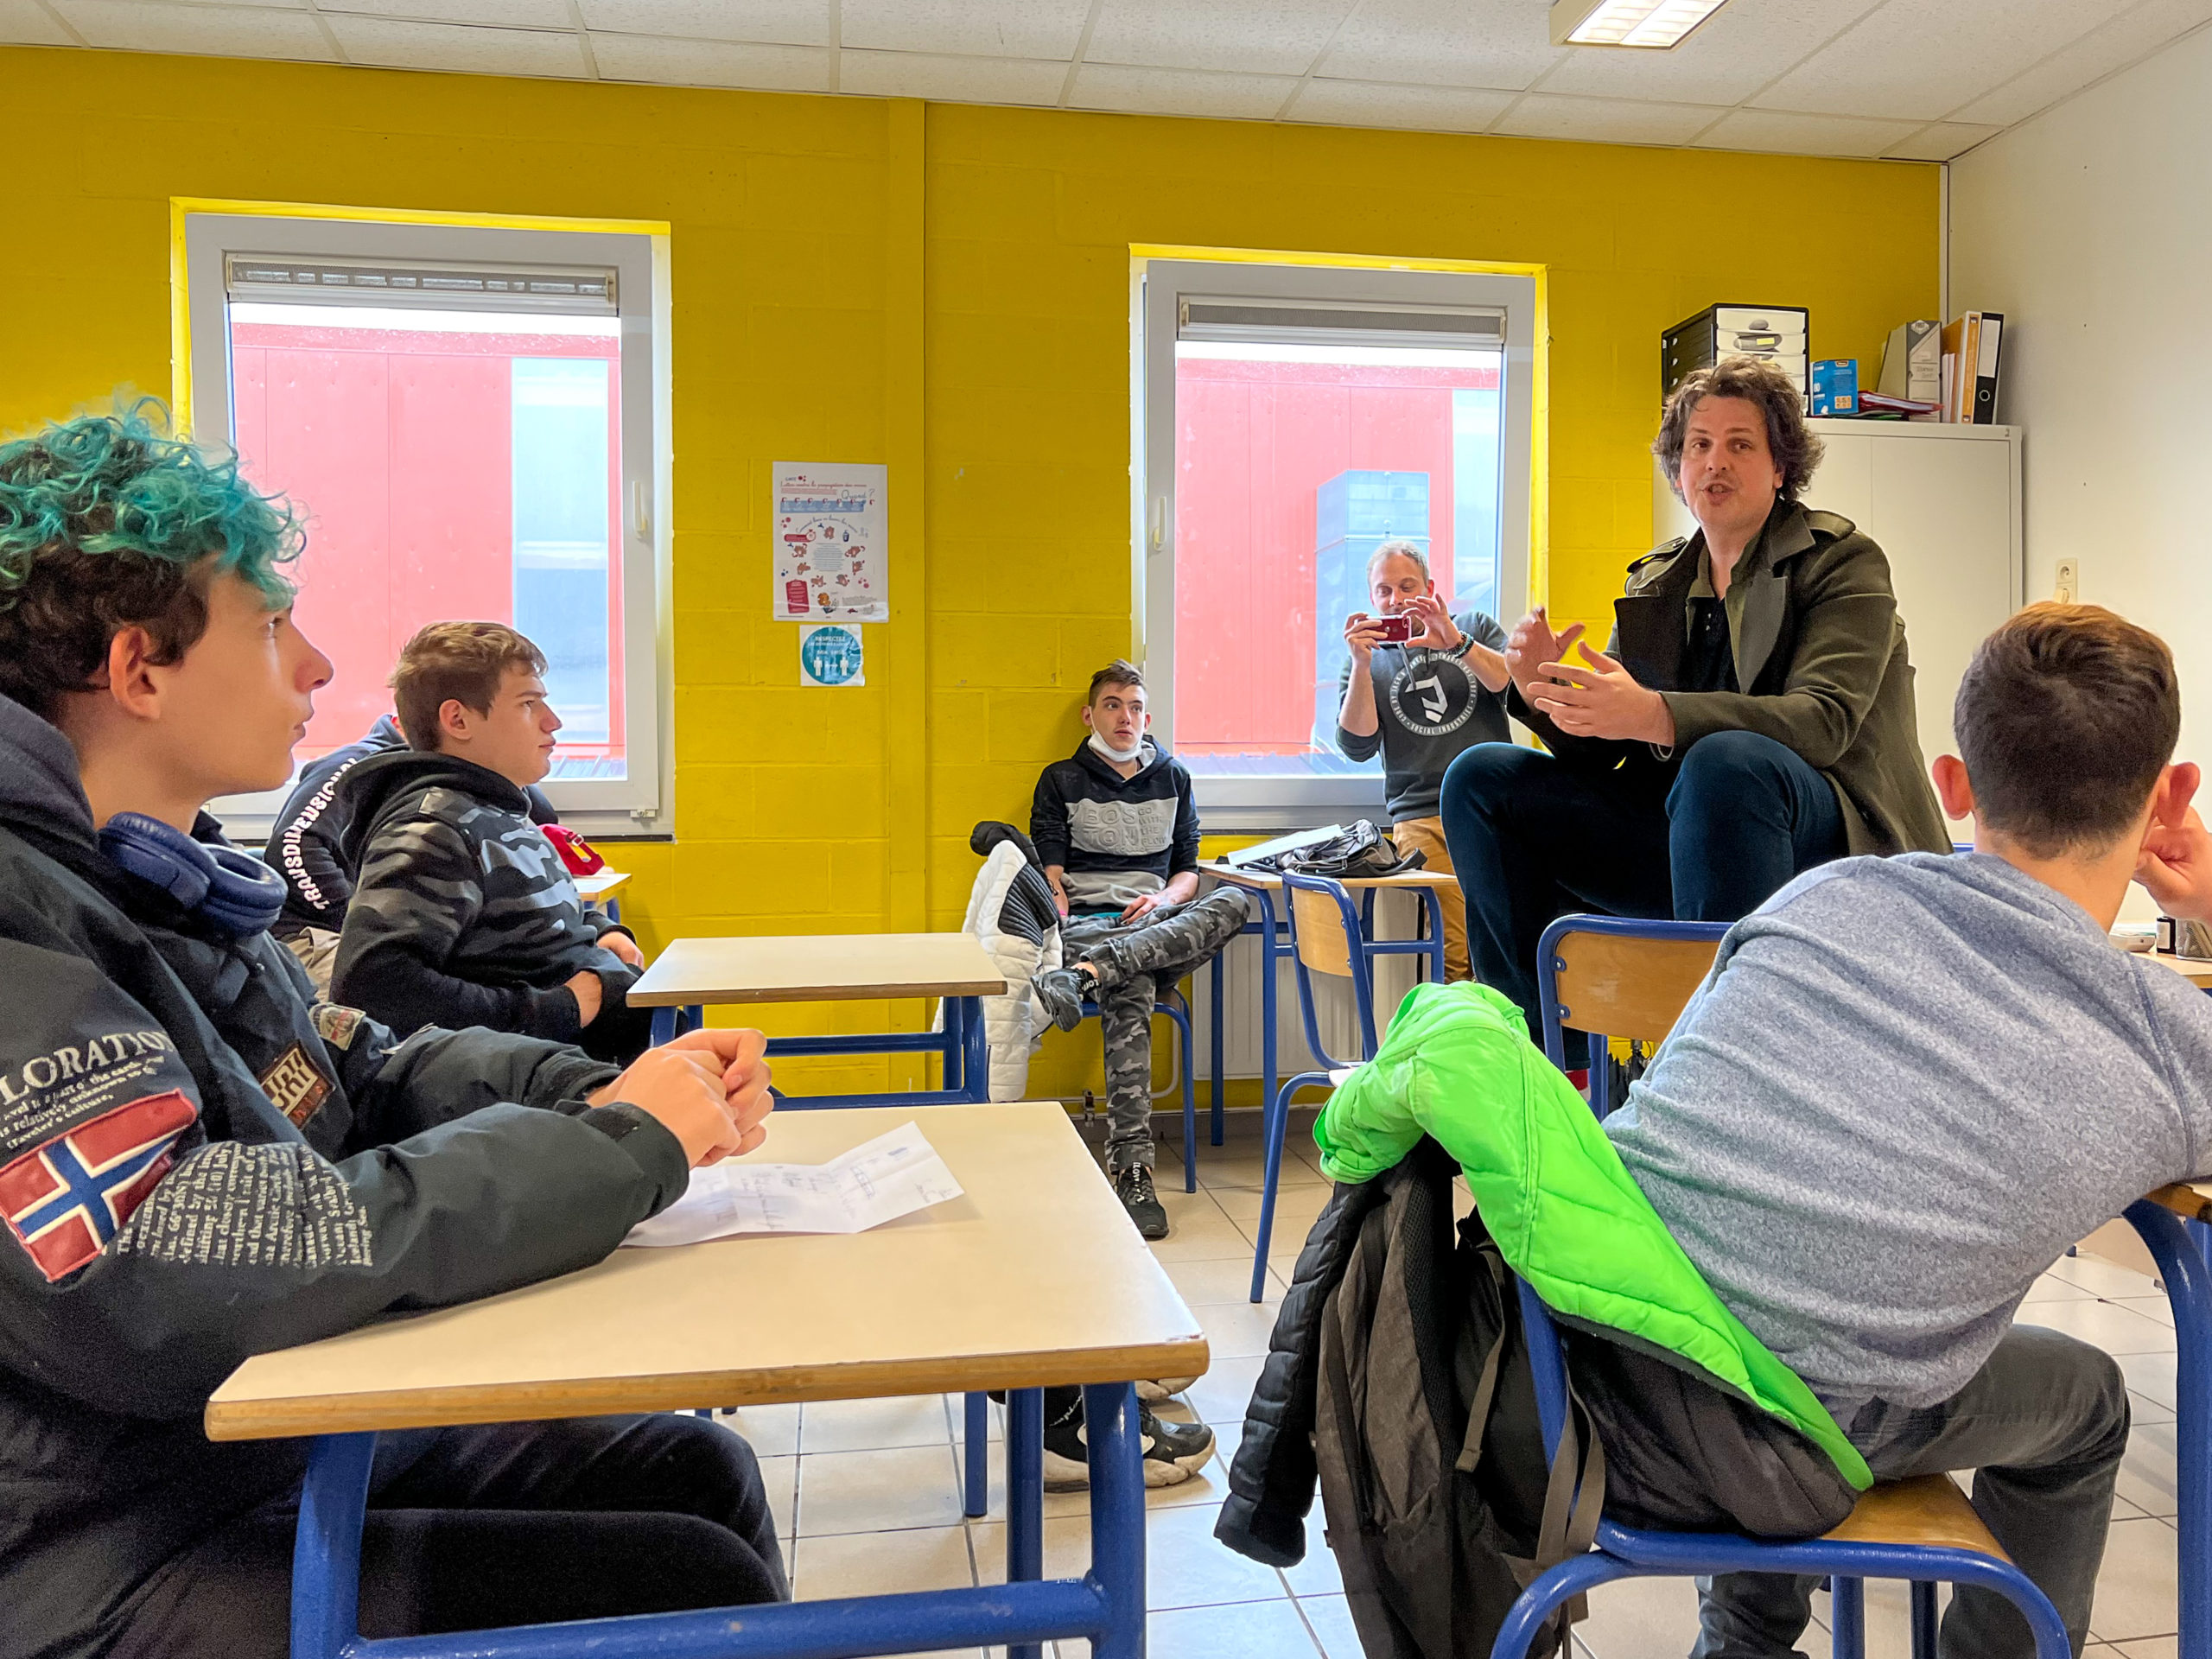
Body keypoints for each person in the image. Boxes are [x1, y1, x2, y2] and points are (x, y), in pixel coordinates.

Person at [0, 404, 783, 1659]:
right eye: (270, 626)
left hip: (229, 1444)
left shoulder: (160, 872)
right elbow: (169, 1259)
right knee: (677, 1577)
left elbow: (350, 1071)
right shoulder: (20, 917)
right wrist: (623, 1149)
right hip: (94, 1536)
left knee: (696, 1474)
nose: (313, 668)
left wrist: (596, 1088)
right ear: (140, 668)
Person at [1603, 602, 2212, 1659]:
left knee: (1767, 1271)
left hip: (1590, 1365)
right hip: (1782, 1433)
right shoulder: (2160, 1038)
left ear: (1951, 784)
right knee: (2090, 1400)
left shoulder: (1818, 898)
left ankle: (1741, 1641)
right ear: (2169, 794)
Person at [1442, 354, 1950, 1065]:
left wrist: (1655, 714)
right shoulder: (1657, 581)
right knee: (1481, 777)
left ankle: (1725, 1063)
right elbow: (1604, 752)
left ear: (1781, 469)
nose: (1716, 461)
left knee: (1724, 761)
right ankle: (1547, 1060)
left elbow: (1825, 721)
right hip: (1691, 838)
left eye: (1741, 444)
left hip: (1835, 845)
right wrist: (1541, 697)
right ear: (1678, 469)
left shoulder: (1843, 561)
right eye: (1698, 446)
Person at [330, 623, 654, 1065]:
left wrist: (602, 931)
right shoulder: (433, 828)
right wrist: (555, 1009)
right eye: (528, 703)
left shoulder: (499, 812)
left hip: (571, 1082)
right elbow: (376, 986)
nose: (552, 721)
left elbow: (515, 917)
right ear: (458, 720)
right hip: (521, 1105)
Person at [1027, 660, 1249, 1239]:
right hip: (1090, 930)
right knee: (1132, 989)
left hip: (1157, 926)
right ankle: (1133, 1169)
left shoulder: (1173, 777)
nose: (1125, 717)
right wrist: (1071, 917)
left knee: (1235, 903)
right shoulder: (1061, 779)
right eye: (1112, 705)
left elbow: (1187, 870)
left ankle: (1086, 976)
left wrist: (1161, 903)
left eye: (1134, 706)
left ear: (1146, 716)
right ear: (1090, 714)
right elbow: (1051, 873)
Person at [263, 709, 556, 995]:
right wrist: (359, 923)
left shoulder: (446, 773)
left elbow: (545, 818)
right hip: (315, 933)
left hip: (409, 933)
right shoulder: (355, 764)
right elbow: (292, 847)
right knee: (409, 998)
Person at [1333, 537, 1511, 981]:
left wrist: (1454, 639)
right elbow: (1357, 747)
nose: (1396, 600)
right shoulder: (1367, 658)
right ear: (1372, 599)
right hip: (1421, 815)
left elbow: (1512, 687)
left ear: (1430, 588)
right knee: (1453, 946)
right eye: (1384, 591)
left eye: (1407, 586)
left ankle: (1507, 1032)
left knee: (1506, 934)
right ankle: (1462, 1037)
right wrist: (1360, 665)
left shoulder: (1474, 627)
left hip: (1495, 809)